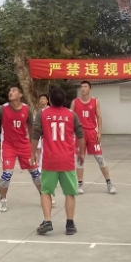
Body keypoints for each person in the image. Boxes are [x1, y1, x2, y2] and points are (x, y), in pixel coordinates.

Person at [31, 88, 85, 235]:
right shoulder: (71, 114)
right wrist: (81, 153)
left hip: (50, 160)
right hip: (67, 160)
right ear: (65, 100)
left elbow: (35, 134)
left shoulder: (42, 114)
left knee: (45, 191)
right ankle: (70, 224)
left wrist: (32, 153)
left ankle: (47, 221)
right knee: (70, 193)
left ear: (49, 100)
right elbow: (80, 134)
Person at [70, 81, 116, 195]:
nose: (83, 88)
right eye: (81, 87)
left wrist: (99, 132)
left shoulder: (95, 101)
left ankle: (109, 183)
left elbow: (99, 117)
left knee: (100, 158)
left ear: (90, 89)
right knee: (80, 159)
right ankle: (80, 184)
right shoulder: (75, 102)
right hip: (80, 134)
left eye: (85, 86)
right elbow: (70, 118)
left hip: (92, 133)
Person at [35, 94, 55, 206]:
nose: (42, 100)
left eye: (44, 98)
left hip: (50, 140)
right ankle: (47, 195)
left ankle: (49, 194)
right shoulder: (39, 112)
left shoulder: (51, 111)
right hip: (41, 138)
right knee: (39, 159)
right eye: (40, 99)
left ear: (47, 100)